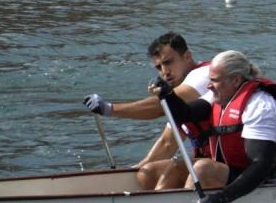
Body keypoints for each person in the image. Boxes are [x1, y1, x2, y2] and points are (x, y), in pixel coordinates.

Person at [154, 50, 276, 203]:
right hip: (242, 171)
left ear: (236, 80)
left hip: (274, 178)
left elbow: (261, 166)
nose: (208, 85)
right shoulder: (219, 95)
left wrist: (221, 198)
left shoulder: (260, 107)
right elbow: (185, 113)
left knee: (203, 169)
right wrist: (169, 94)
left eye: (214, 81)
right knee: (171, 167)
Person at [83, 32, 211, 190]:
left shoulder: (205, 75)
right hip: (207, 161)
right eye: (159, 67)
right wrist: (130, 173)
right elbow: (167, 144)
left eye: (169, 62)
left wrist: (109, 109)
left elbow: (160, 107)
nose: (165, 72)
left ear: (187, 56)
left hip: (228, 165)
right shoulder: (176, 97)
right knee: (146, 173)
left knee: (174, 169)